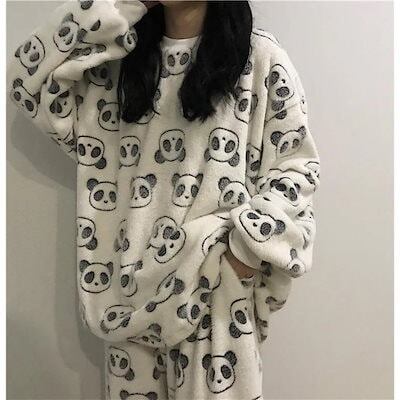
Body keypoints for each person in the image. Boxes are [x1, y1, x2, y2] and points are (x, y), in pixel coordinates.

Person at [7, 0, 320, 398]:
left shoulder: (259, 59)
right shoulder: (113, 66)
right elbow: (27, 81)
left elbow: (296, 170)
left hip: (214, 299)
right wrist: (123, 5)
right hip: (127, 306)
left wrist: (241, 253)